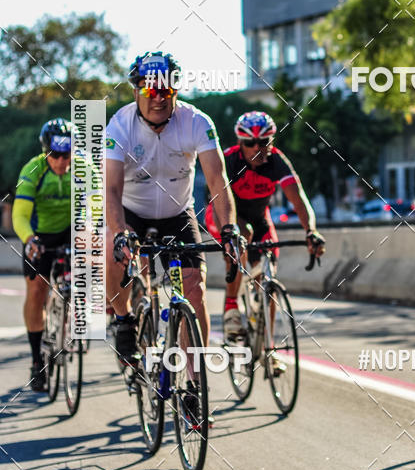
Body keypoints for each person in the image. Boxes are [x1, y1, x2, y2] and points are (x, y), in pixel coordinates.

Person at [106, 51, 241, 377]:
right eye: (150, 90)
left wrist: (229, 229)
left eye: (165, 90)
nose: (158, 98)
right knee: (111, 255)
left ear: (176, 91)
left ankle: (195, 383)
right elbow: (109, 190)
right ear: (136, 91)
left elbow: (217, 181)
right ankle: (123, 318)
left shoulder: (196, 122)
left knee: (194, 289)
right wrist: (121, 233)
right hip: (131, 211)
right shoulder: (118, 126)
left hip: (178, 212)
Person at [204, 110, 325, 342]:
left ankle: (268, 347)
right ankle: (231, 308)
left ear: (272, 141)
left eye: (264, 141)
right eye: (250, 143)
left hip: (260, 217)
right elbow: (217, 200)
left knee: (268, 273)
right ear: (241, 142)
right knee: (241, 236)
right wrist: (229, 233)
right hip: (224, 215)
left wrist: (311, 231)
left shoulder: (277, 161)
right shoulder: (229, 160)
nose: (257, 147)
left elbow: (299, 201)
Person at [12, 118, 72, 391]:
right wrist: (29, 239)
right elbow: (20, 215)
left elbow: (98, 205)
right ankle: (37, 361)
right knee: (37, 291)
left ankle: (74, 314)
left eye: (67, 153)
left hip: (73, 229)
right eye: (55, 155)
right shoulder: (33, 169)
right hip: (40, 234)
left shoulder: (84, 168)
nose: (61, 161)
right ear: (46, 151)